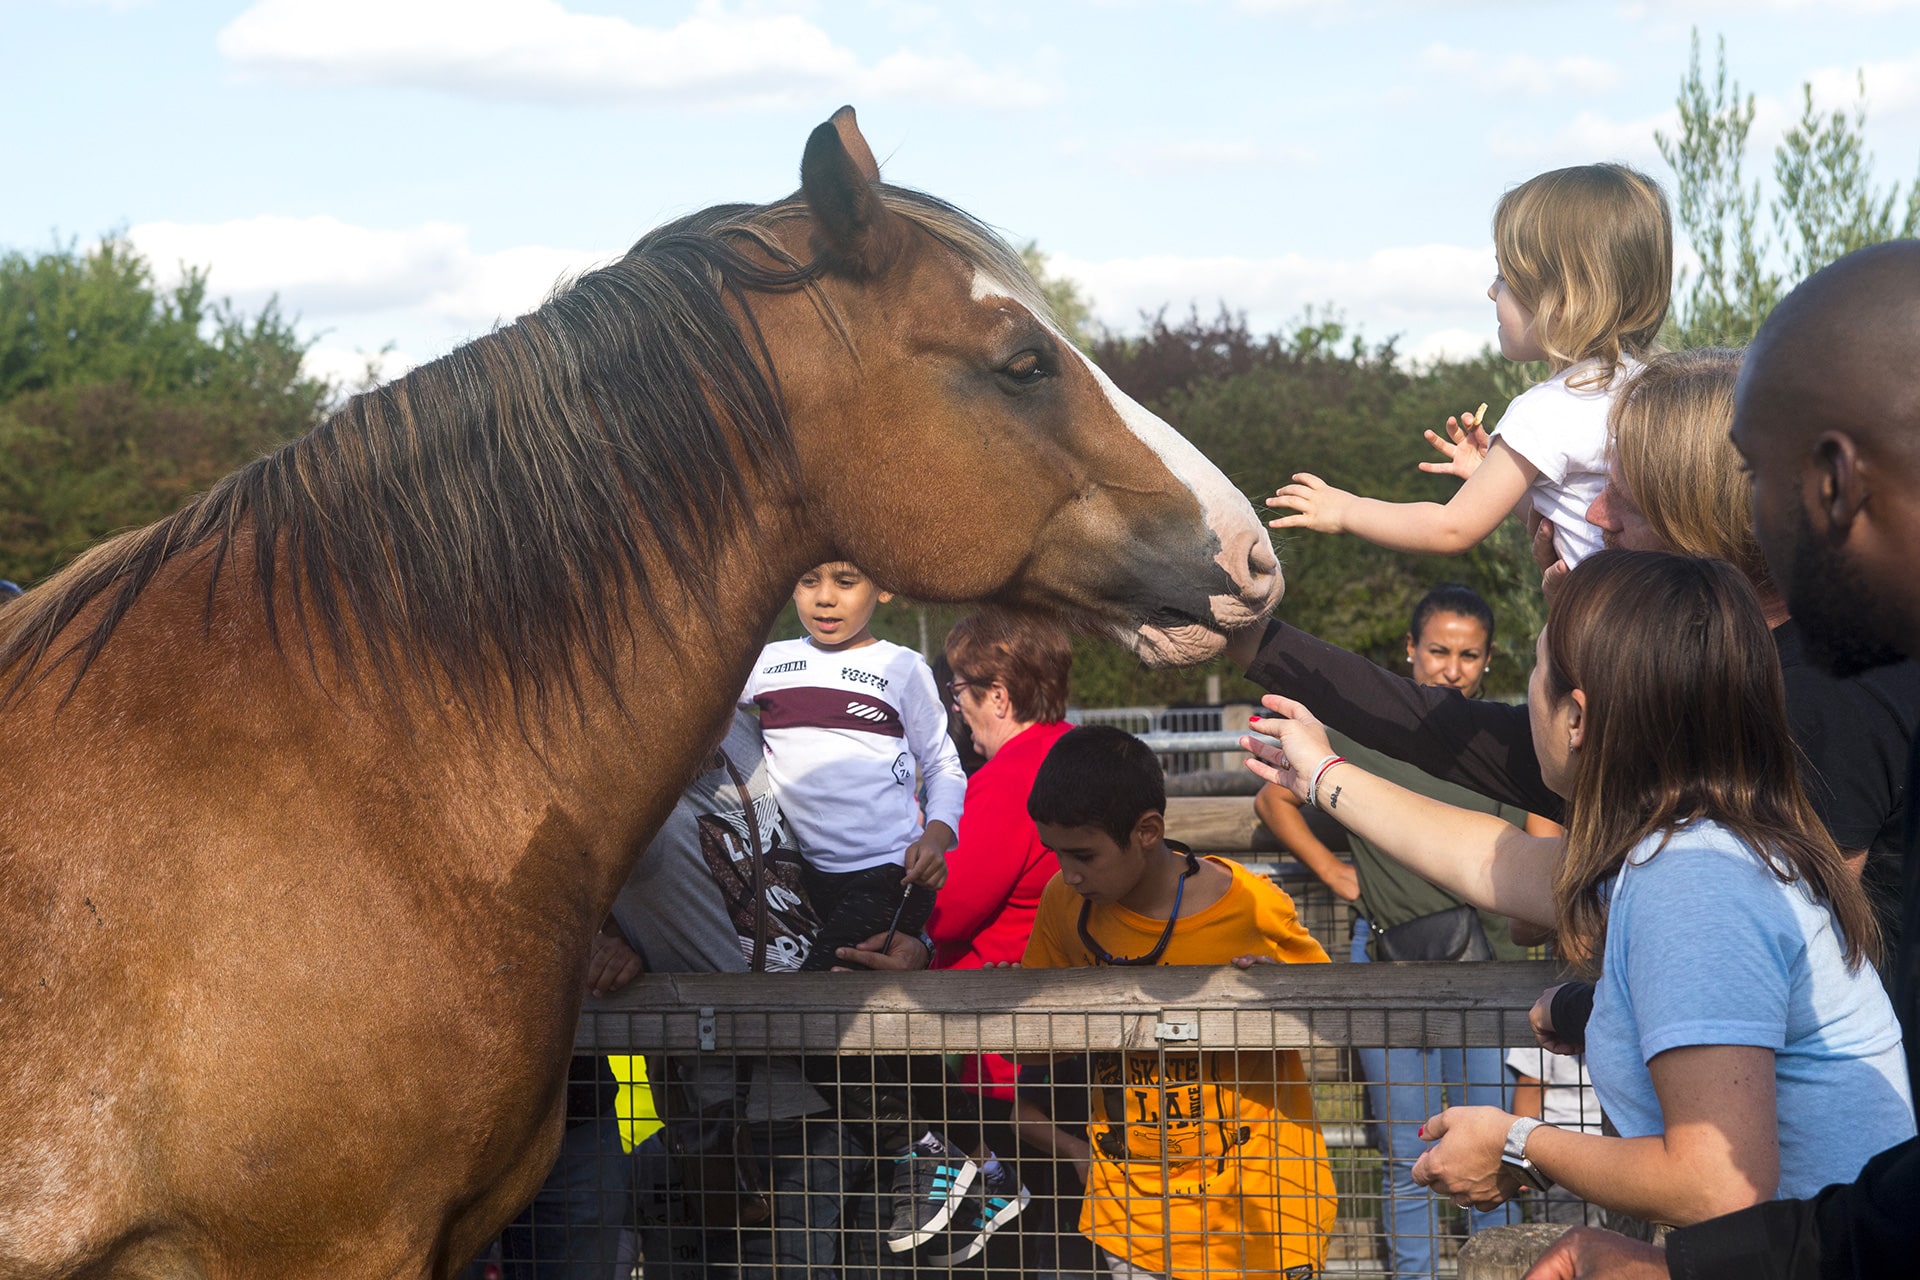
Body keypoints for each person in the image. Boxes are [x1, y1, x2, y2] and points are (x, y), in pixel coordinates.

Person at [1241, 552, 1913, 1232]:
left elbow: (1716, 1184)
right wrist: (1323, 772)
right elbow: (1486, 858)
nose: (1525, 694)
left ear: (1578, 719)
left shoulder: (1694, 881)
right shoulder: (1691, 845)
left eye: (1536, 674)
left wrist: (1519, 1141)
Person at [1229, 348, 1920, 986]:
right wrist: (1256, 646)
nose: (1596, 513)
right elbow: (1465, 762)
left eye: (1626, 498)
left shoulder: (1833, 695)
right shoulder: (1706, 679)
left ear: (1699, 523)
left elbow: (1787, 963)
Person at [1522, 243, 1920, 1280]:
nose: (1742, 522)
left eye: (1751, 474)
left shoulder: (1701, 856)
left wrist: (1523, 1142)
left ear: (1832, 483)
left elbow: (1727, 1172)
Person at [1255, 582, 1544, 1277]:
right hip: (1389, 950)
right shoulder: (1363, 734)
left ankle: (1494, 1269)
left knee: (1492, 1150)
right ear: (1410, 651)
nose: (1452, 667)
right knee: (1403, 1149)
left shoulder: (1503, 745)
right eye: (1438, 650)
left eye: (1468, 655)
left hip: (1487, 965)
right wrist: (1333, 870)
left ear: (1488, 660)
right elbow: (1273, 794)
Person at [1022, 725, 1337, 1280]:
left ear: (1147, 831)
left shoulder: (1253, 908)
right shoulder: (1063, 903)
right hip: (1136, 1224)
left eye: (1084, 855)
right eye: (1056, 854)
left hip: (1261, 1219)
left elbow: (1333, 1019)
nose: (1068, 873)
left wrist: (1282, 995)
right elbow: (1035, 1053)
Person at [1267, 164, 1669, 568]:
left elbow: (1451, 528)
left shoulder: (1547, 410)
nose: (1492, 290)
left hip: (1605, 618)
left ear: (1562, 300)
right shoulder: (1649, 390)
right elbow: (1568, 519)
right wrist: (1489, 477)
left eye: (1505, 276)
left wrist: (1346, 510)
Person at [739, 560, 966, 971]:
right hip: (800, 874)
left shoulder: (903, 666)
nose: (825, 597)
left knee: (819, 994)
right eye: (808, 580)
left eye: (845, 582)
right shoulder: (765, 662)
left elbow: (942, 763)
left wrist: (935, 838)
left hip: (889, 876)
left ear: (884, 587)